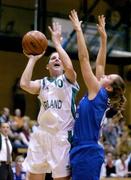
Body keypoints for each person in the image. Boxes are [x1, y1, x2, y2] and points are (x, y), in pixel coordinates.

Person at [69, 10, 126, 180]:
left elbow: (84, 59)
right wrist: (104, 39)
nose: (104, 75)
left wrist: (79, 31)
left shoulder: (97, 92)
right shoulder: (100, 93)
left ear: (109, 88)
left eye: (108, 77)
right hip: (84, 150)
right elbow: (100, 64)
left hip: (87, 152)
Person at [20, 22, 79, 180]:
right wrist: (32, 59)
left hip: (62, 137)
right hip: (42, 135)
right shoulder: (43, 83)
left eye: (59, 58)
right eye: (53, 58)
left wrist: (58, 45)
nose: (56, 59)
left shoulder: (69, 80)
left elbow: (70, 67)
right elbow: (24, 84)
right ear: (47, 66)